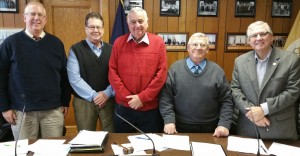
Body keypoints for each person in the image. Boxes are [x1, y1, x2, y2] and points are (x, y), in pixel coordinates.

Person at [0, 1, 71, 140]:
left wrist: (65, 101)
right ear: (24, 17)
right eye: (32, 14)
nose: (36, 18)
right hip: (22, 112)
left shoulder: (56, 44)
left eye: (40, 14)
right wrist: (4, 108)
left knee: (53, 151)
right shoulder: (10, 44)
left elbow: (64, 75)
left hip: (53, 111)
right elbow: (1, 77)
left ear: (45, 19)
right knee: (26, 152)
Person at [231, 21, 300, 140]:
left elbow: (293, 91)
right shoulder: (240, 61)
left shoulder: (291, 60)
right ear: (249, 40)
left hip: (279, 130)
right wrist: (253, 114)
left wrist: (264, 109)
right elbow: (235, 90)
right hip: (249, 129)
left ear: (272, 37)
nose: (258, 38)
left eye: (263, 34)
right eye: (253, 35)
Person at [159, 33, 233, 137]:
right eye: (195, 44)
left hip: (212, 129)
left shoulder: (217, 71)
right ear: (188, 48)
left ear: (207, 49)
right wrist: (169, 120)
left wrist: (224, 124)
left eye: (202, 45)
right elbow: (165, 98)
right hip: (179, 127)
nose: (198, 48)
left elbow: (227, 100)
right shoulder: (175, 69)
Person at [109, 7, 167, 133]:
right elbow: (112, 72)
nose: (137, 25)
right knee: (123, 146)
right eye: (133, 22)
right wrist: (129, 99)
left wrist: (142, 98)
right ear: (128, 23)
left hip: (149, 110)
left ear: (147, 22)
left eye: (141, 21)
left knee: (149, 148)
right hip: (124, 108)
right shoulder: (118, 43)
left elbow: (161, 75)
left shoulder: (158, 43)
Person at [67, 12, 114, 132]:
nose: (95, 30)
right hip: (84, 102)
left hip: (108, 100)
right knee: (86, 140)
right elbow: (74, 79)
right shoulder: (76, 50)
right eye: (92, 27)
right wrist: (94, 95)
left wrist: (107, 93)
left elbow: (118, 75)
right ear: (85, 29)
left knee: (112, 137)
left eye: (98, 27)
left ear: (103, 29)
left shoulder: (113, 49)